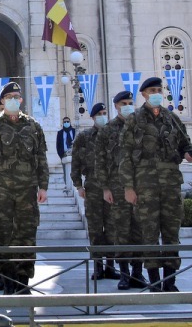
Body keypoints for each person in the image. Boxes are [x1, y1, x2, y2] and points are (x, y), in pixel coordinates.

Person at [120, 76, 192, 292]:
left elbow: (186, 143)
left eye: (158, 90)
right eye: (152, 90)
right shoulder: (134, 120)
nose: (156, 93)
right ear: (144, 94)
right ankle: (154, 281)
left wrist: (191, 154)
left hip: (171, 186)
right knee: (149, 234)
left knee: (172, 235)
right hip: (145, 187)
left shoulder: (171, 118)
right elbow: (125, 155)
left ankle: (170, 281)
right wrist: (128, 187)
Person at [0, 82, 49, 294]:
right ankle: (8, 282)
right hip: (2, 192)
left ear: (21, 100)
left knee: (27, 236)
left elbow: (41, 158)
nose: (13, 100)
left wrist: (43, 186)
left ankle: (23, 282)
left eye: (16, 96)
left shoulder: (33, 126)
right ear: (3, 101)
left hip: (27, 191)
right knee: (4, 236)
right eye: (9, 97)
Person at [97, 90, 146, 290]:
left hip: (141, 187)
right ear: (116, 106)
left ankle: (138, 273)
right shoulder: (107, 130)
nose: (127, 106)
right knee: (121, 231)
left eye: (130, 102)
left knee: (139, 231)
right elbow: (100, 161)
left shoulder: (141, 127)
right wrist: (105, 188)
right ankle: (124, 274)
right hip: (117, 188)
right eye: (123, 103)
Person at [71, 102, 115, 281]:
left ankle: (111, 266)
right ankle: (98, 266)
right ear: (93, 117)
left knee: (112, 228)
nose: (103, 116)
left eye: (105, 113)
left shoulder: (114, 135)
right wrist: (78, 186)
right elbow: (75, 162)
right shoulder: (84, 137)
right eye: (100, 114)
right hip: (93, 188)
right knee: (96, 229)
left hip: (113, 188)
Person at [55, 116, 76, 189]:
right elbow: (58, 145)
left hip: (74, 155)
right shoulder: (60, 133)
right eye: (65, 122)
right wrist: (61, 155)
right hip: (64, 155)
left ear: (70, 122)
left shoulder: (74, 131)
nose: (66, 123)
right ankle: (67, 185)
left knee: (74, 170)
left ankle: (74, 185)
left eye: (68, 122)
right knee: (66, 171)